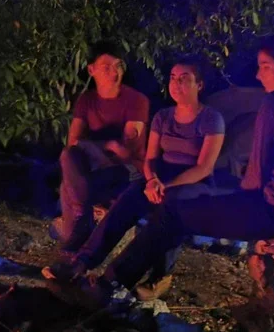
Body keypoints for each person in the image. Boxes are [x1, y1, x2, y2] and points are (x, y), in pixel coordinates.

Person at [53, 33, 274, 310]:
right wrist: (154, 179)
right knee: (138, 196)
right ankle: (83, 262)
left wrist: (235, 203)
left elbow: (255, 177)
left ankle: (110, 286)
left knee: (174, 212)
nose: (258, 75)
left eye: (264, 66)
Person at [44, 58, 225, 295]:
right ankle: (81, 262)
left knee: (167, 210)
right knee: (126, 202)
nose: (176, 84)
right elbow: (150, 159)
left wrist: (165, 185)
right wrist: (151, 180)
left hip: (195, 183)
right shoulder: (163, 117)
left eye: (184, 79)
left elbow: (204, 167)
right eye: (172, 77)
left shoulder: (211, 119)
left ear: (199, 85)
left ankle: (114, 281)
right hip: (160, 177)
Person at [55, 42, 151, 255]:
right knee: (68, 157)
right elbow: (73, 143)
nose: (114, 72)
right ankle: (81, 229)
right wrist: (108, 145)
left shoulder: (136, 100)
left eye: (118, 66)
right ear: (92, 70)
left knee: (70, 188)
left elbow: (126, 153)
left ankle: (74, 245)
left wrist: (93, 147)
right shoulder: (87, 100)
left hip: (127, 170)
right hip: (96, 166)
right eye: (106, 67)